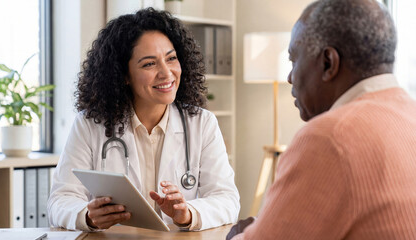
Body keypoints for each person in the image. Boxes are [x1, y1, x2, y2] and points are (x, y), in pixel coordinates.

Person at [227, 0, 416, 239]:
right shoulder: (410, 115)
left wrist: (240, 235)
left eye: (294, 60)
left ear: (328, 63)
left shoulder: (330, 136)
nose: (289, 77)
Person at [47, 8, 240, 231]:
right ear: (124, 75)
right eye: (149, 64)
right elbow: (59, 201)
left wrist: (187, 214)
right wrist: (87, 216)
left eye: (171, 58)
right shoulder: (90, 125)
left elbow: (227, 200)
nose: (166, 73)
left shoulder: (201, 123)